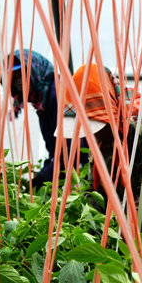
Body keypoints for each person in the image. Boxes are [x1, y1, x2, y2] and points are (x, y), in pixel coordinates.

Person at [61, 62, 142, 235]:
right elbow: (95, 193)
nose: (91, 134)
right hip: (135, 221)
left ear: (110, 114)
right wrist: (91, 233)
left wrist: (120, 242)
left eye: (95, 126)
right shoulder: (103, 142)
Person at [8, 49, 88, 189]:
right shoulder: (42, 101)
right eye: (13, 79)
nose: (18, 83)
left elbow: (71, 151)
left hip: (94, 164)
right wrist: (44, 175)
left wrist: (43, 178)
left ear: (33, 70)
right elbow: (55, 150)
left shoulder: (59, 96)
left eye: (20, 76)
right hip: (80, 166)